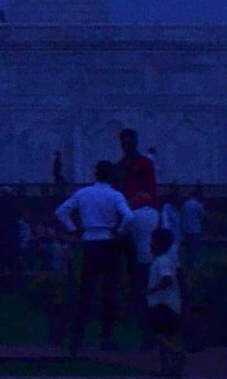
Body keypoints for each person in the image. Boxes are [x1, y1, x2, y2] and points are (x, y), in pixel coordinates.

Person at [57, 158, 133, 353]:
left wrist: (74, 229)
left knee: (86, 292)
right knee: (109, 292)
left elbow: (61, 211)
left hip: (89, 242)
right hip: (108, 242)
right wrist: (119, 231)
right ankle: (105, 338)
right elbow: (128, 216)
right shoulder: (115, 195)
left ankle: (78, 339)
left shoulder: (83, 193)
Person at [143, 224, 186, 376]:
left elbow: (166, 279)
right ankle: (169, 367)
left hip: (163, 304)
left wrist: (149, 290)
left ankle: (177, 352)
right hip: (169, 304)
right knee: (168, 336)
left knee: (159, 334)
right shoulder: (166, 260)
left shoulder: (161, 261)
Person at [114, 128, 159, 210]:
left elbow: (151, 187)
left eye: (129, 143)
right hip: (124, 208)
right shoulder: (119, 166)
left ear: (135, 143)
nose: (127, 146)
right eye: (124, 143)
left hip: (142, 208)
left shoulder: (145, 163)